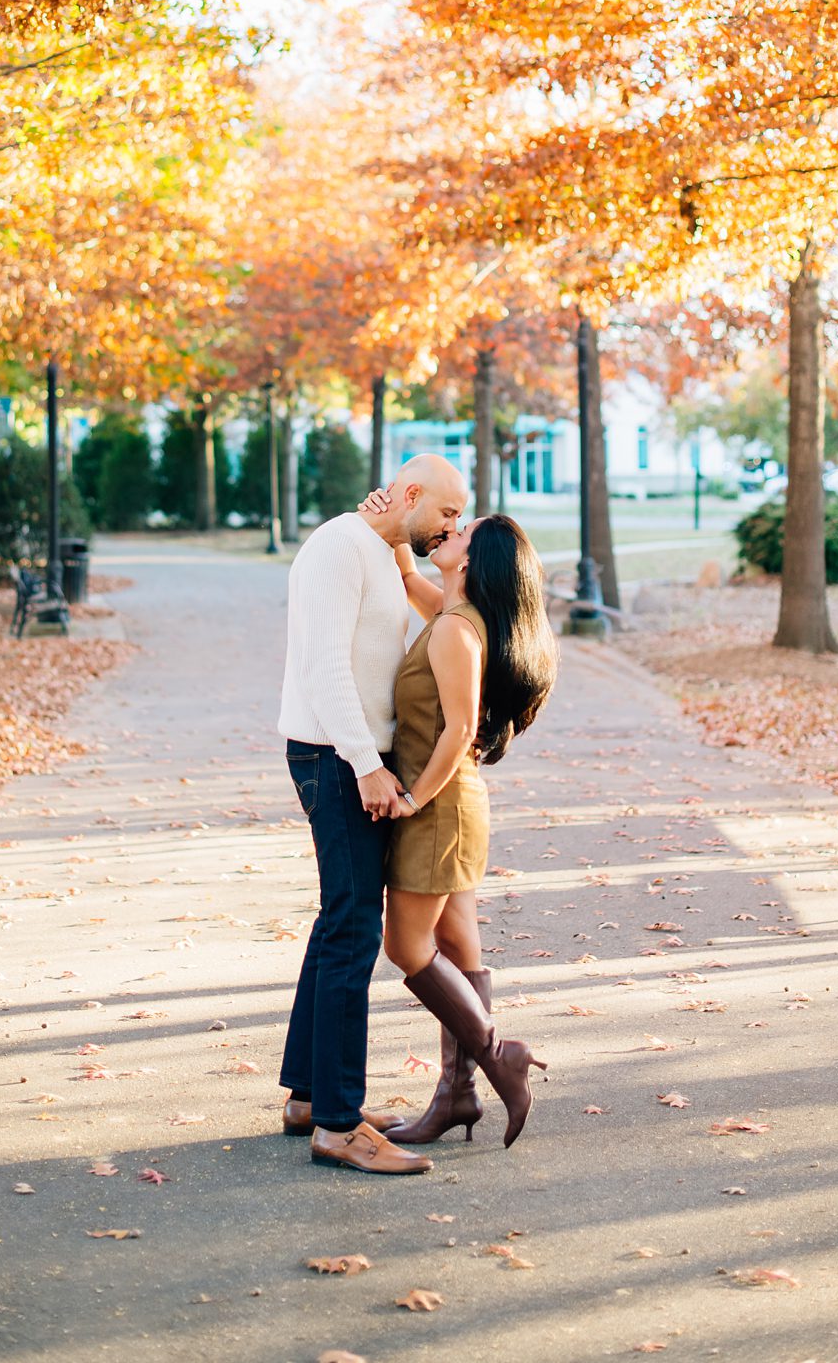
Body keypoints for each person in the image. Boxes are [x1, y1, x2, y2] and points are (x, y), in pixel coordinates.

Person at [277, 453, 469, 1175]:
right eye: (447, 513)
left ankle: (308, 1097)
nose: (452, 526)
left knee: (340, 921)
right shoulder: (335, 546)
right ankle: (337, 1125)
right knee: (355, 928)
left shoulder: (377, 550)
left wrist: (397, 542)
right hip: (334, 758)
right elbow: (323, 666)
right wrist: (366, 763)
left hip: (354, 756)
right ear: (412, 493)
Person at [365, 497, 559, 1148]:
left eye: (462, 529)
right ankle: (456, 1097)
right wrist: (397, 517)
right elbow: (406, 575)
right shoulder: (449, 612)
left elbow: (460, 728)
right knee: (459, 951)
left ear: (476, 560)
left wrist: (415, 800)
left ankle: (498, 1056)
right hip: (457, 804)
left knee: (406, 949)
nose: (450, 530)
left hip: (441, 807)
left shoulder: (456, 629)